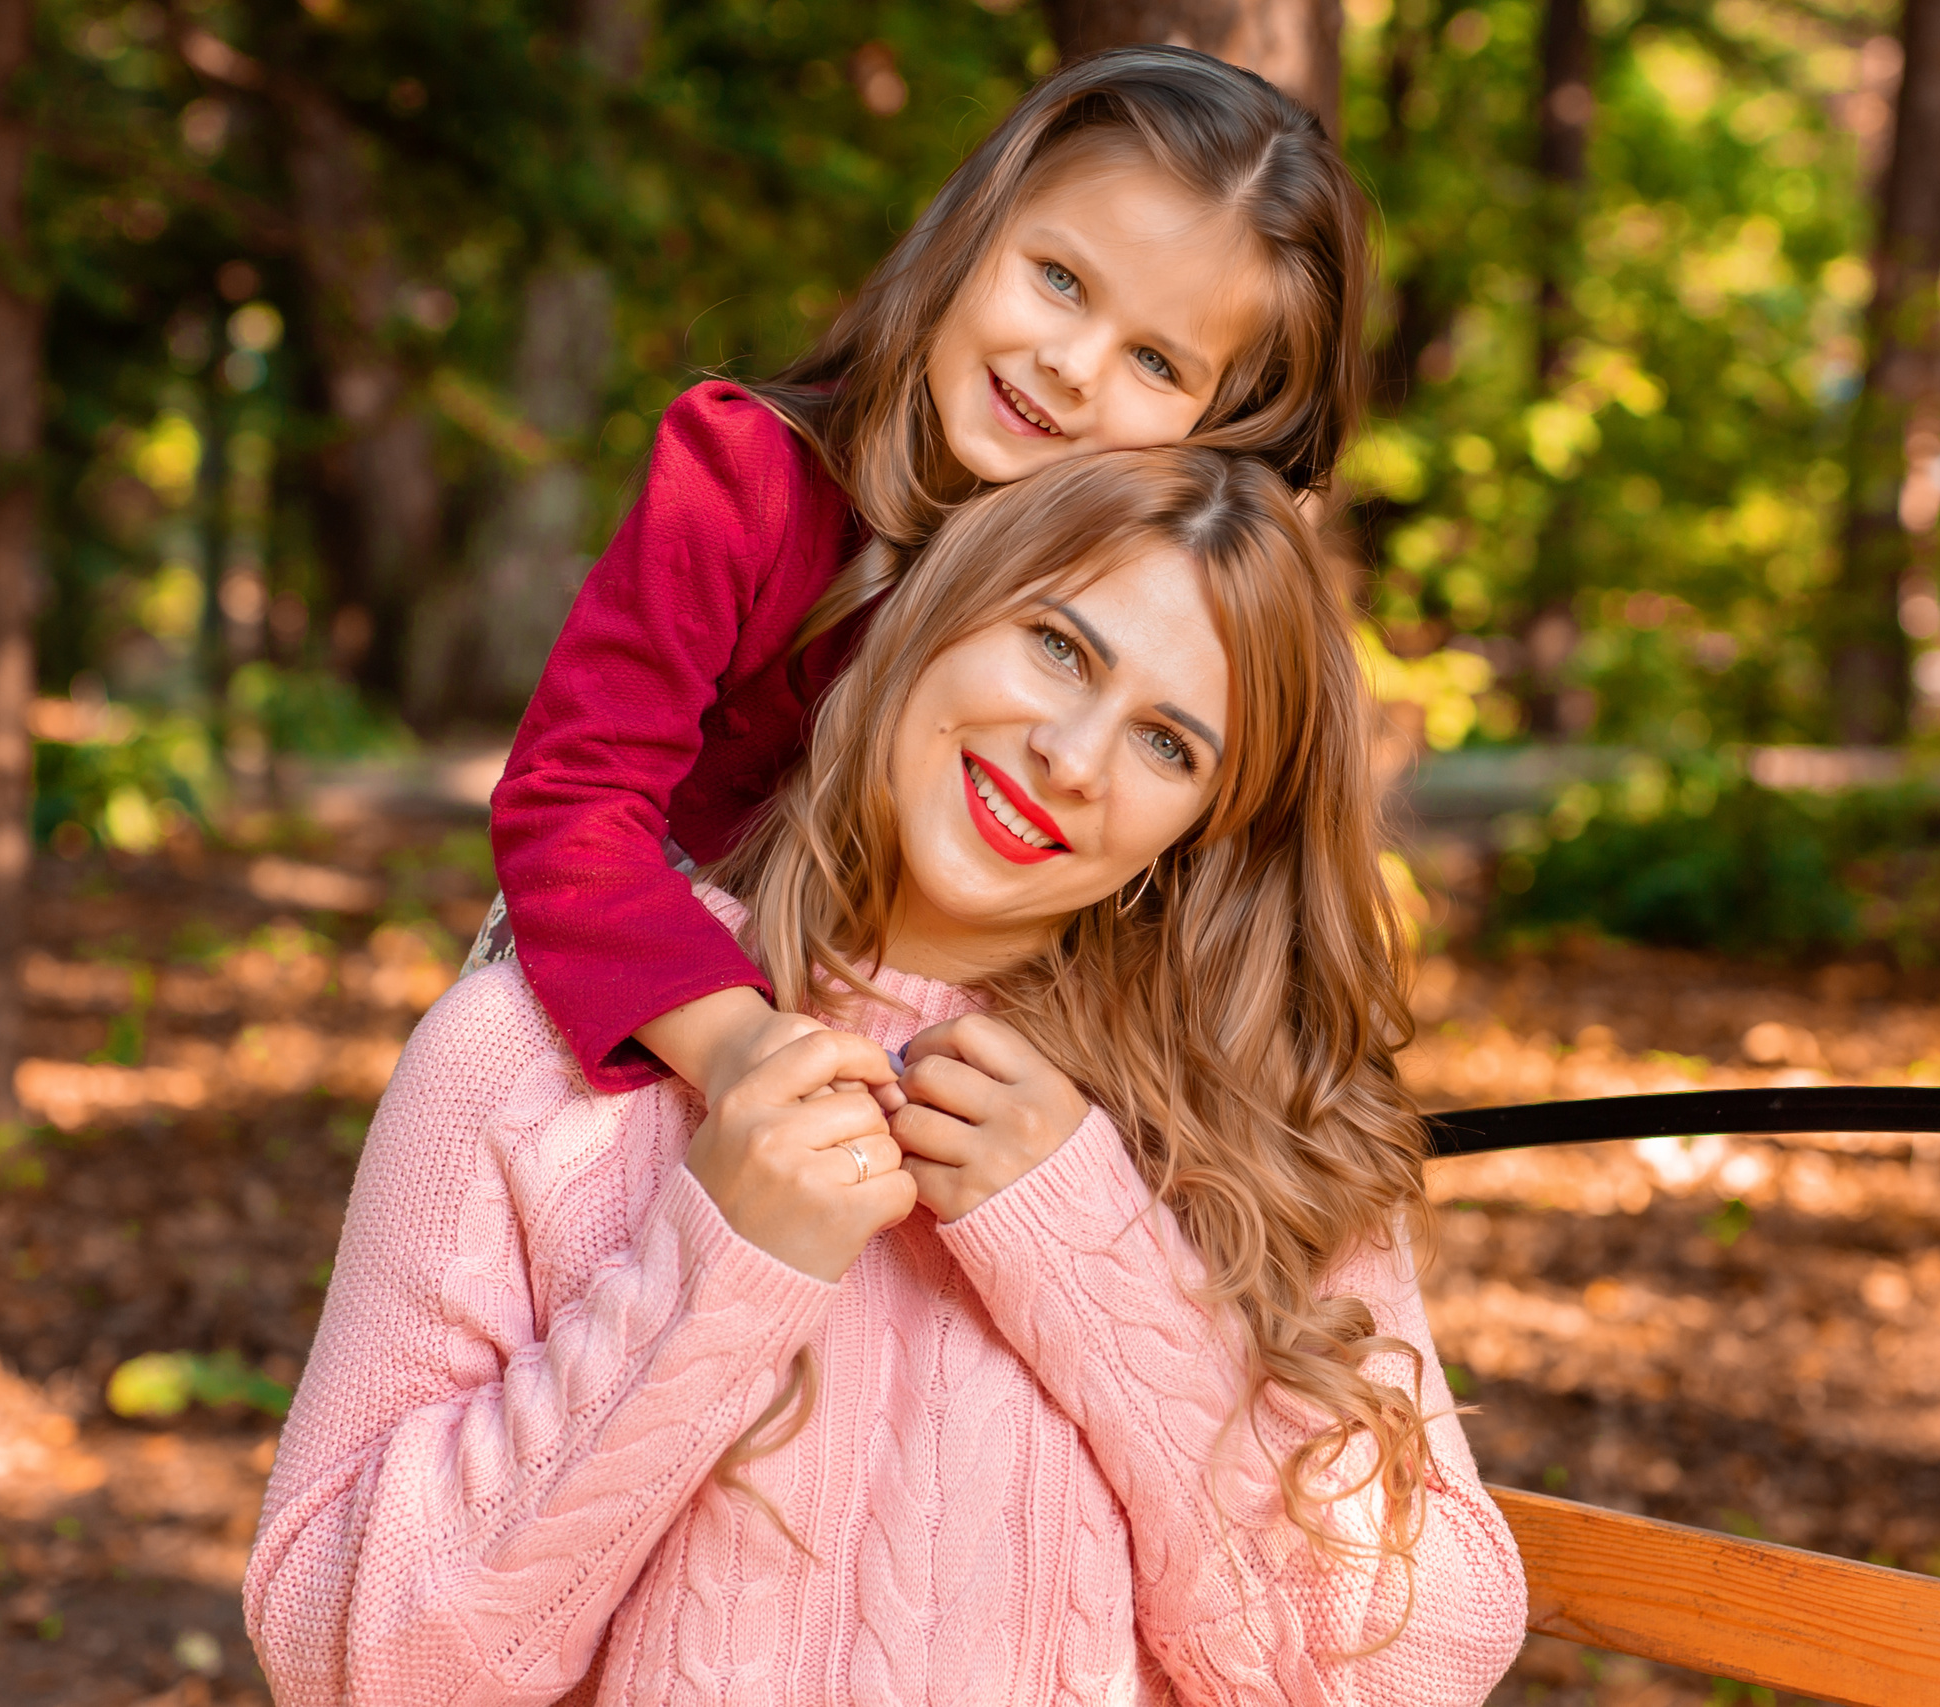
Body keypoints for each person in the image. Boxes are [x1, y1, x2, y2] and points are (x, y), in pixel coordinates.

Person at [245, 449, 1527, 1704]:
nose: (1074, 756)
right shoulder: (525, 1058)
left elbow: (1413, 1669)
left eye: (1170, 745)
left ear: (1200, 829)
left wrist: (1097, 1256)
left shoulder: (1249, 1123)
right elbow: (342, 1663)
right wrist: (712, 1269)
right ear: (932, 614)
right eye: (1061, 647)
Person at [481, 45, 1375, 1132]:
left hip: (936, 1062)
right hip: (664, 1015)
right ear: (973, 231)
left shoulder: (1133, 606)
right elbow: (571, 798)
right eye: (1058, 279)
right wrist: (739, 1046)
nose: (1074, 364)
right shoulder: (746, 477)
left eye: (1157, 363)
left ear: (1219, 429)